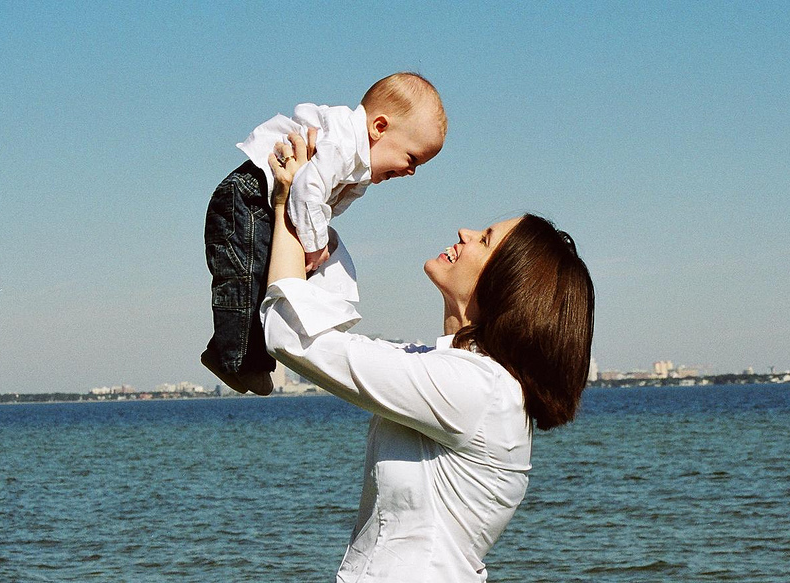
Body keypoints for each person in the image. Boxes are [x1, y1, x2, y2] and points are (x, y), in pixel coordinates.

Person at [260, 134, 595, 582]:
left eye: (485, 239)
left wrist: (287, 206)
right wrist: (312, 211)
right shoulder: (459, 375)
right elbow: (324, 328)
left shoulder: (475, 389)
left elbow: (293, 336)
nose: (464, 234)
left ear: (509, 284)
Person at [201, 73, 447, 395]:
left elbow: (320, 201)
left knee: (268, 279)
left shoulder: (357, 166)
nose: (410, 171)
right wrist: (315, 245)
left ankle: (256, 349)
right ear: (379, 127)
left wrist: (317, 242)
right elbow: (306, 188)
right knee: (247, 276)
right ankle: (235, 359)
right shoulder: (343, 144)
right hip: (249, 197)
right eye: (411, 158)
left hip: (268, 202)